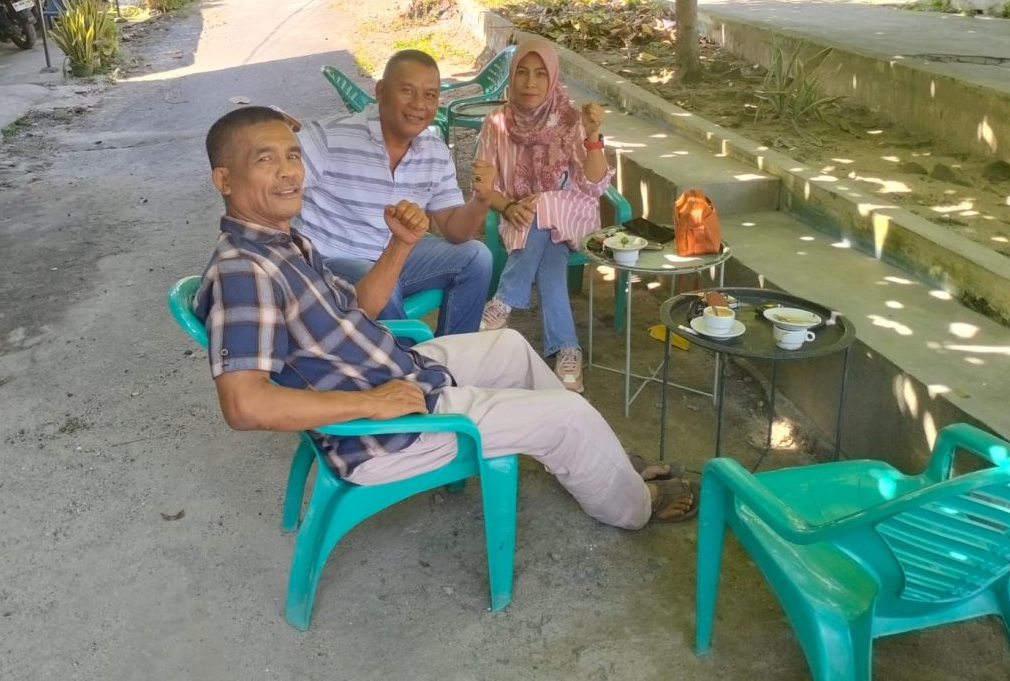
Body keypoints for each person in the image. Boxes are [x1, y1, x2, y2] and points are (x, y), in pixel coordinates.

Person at [193, 106, 697, 527]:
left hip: (394, 371)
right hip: (389, 432)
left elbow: (358, 308)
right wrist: (370, 403)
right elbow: (245, 405)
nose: (289, 171)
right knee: (569, 415)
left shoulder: (284, 240)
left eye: (293, 155)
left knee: (510, 346)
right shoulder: (244, 273)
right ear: (224, 180)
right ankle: (636, 507)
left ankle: (604, 465)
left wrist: (401, 244)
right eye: (266, 160)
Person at [294, 49, 493, 336]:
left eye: (430, 95)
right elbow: (270, 182)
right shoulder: (330, 138)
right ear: (381, 92)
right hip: (331, 259)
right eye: (407, 91)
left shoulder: (434, 152)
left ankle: (453, 358)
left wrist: (481, 199)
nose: (419, 105)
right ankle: (405, 371)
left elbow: (455, 230)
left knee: (477, 258)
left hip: (397, 252)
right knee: (380, 284)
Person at [473, 38, 610, 393]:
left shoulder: (570, 120)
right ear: (511, 76)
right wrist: (507, 207)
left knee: (541, 205)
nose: (530, 83)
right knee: (550, 262)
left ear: (552, 79)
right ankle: (567, 350)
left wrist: (592, 135)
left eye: (539, 74)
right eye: (522, 72)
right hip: (519, 218)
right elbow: (484, 185)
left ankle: (504, 300)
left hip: (573, 212)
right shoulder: (496, 123)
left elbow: (593, 185)